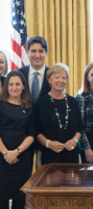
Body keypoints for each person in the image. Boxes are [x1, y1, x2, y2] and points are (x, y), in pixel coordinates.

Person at [0, 71, 34, 209]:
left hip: (22, 160)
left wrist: (16, 152)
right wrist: (6, 153)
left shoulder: (30, 108)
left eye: (17, 84)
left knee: (20, 202)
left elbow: (31, 135)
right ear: (7, 86)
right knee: (1, 201)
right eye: (11, 84)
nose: (14, 87)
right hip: (1, 159)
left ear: (23, 87)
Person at [35, 63, 82, 164]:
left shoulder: (73, 102)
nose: (60, 81)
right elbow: (36, 130)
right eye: (56, 77)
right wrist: (49, 143)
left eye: (64, 78)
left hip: (71, 154)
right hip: (48, 155)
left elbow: (80, 127)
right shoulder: (41, 103)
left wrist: (75, 140)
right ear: (49, 79)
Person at [18, 36, 51, 169]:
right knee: (24, 175)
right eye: (33, 51)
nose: (37, 55)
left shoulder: (53, 75)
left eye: (41, 51)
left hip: (47, 133)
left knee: (47, 175)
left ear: (46, 53)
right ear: (28, 53)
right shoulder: (18, 74)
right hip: (24, 133)